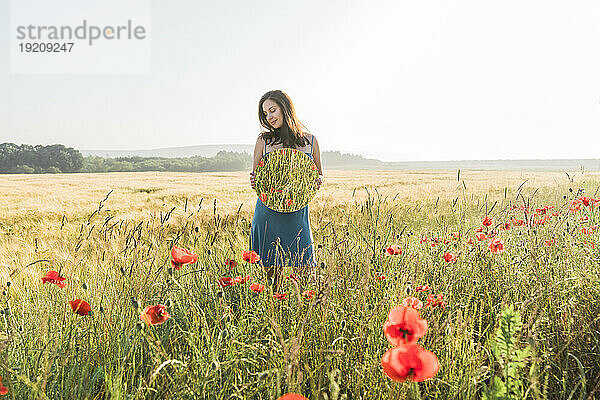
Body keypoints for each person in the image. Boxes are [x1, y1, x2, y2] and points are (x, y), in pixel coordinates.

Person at [249, 90, 323, 288]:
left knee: (307, 275)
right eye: (265, 114)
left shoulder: (311, 142)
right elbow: (257, 178)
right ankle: (275, 313)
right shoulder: (263, 141)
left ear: (285, 108)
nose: (269, 117)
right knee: (273, 281)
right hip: (268, 214)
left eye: (272, 110)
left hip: (297, 213)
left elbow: (318, 175)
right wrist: (255, 180)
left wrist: (316, 181)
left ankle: (307, 313)